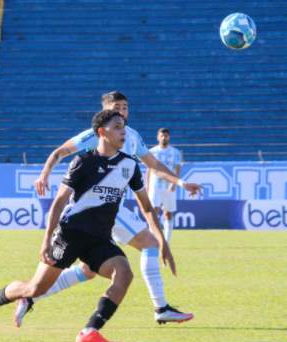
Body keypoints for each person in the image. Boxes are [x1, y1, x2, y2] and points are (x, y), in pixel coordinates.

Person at [0, 110, 174, 342]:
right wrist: (46, 240)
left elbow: (147, 208)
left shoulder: (129, 165)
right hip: (70, 235)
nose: (124, 132)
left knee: (123, 273)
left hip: (99, 239)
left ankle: (89, 332)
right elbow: (59, 202)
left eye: (125, 127)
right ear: (102, 132)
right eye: (118, 127)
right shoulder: (83, 162)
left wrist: (161, 241)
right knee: (34, 289)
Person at [17, 91, 199, 327]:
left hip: (111, 209)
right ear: (105, 111)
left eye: (125, 107)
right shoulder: (96, 136)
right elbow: (60, 151)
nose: (122, 111)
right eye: (117, 107)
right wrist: (44, 175)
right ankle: (161, 307)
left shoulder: (131, 136)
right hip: (102, 209)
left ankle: (30, 297)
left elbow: (154, 165)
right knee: (151, 244)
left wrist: (182, 183)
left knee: (87, 270)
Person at [146, 128, 183, 242]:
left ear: (169, 137)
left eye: (166, 136)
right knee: (154, 212)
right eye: (162, 136)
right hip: (155, 186)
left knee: (168, 213)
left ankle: (167, 241)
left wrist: (174, 183)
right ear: (158, 137)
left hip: (168, 187)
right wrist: (147, 186)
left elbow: (177, 168)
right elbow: (149, 170)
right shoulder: (152, 152)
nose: (164, 138)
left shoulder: (175, 152)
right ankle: (153, 238)